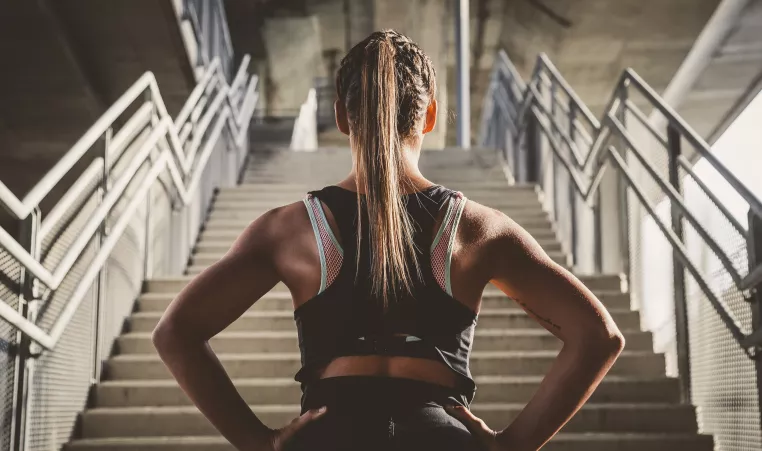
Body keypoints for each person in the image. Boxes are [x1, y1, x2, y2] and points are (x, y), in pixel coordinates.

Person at [152, 30, 625, 451]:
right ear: (430, 115)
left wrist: (259, 442)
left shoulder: (289, 229)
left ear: (341, 115)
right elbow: (597, 336)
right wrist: (513, 445)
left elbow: (175, 333)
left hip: (328, 436)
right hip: (440, 436)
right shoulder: (477, 228)